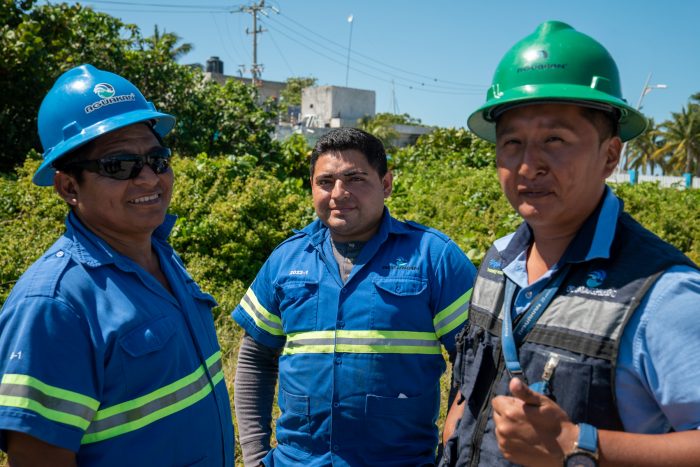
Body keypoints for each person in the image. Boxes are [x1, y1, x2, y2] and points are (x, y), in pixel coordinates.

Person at [440, 20, 700, 467]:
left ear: (610, 155)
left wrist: (579, 445)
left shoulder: (662, 294)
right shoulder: (498, 262)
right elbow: (472, 381)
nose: (528, 165)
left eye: (554, 140)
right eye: (512, 143)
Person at [0, 64, 234, 466]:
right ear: (69, 187)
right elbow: (38, 457)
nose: (148, 179)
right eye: (119, 165)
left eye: (157, 159)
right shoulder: (54, 305)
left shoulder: (161, 255)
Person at [232, 127, 477, 466]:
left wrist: (452, 456)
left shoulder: (434, 257)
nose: (339, 193)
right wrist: (256, 456)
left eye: (355, 178)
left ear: (386, 183)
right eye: (325, 182)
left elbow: (474, 366)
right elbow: (254, 360)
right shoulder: (286, 259)